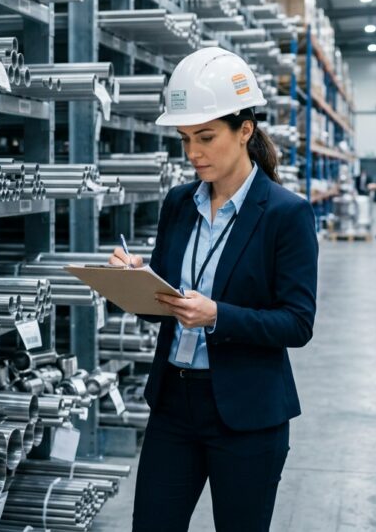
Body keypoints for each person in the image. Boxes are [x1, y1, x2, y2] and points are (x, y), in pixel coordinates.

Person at [108, 47, 319, 532]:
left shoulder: (286, 214)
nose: (193, 153)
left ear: (245, 130)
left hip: (246, 415)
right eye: (184, 140)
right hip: (174, 406)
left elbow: (298, 322)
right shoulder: (179, 203)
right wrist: (134, 283)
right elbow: (166, 308)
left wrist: (218, 315)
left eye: (205, 137)